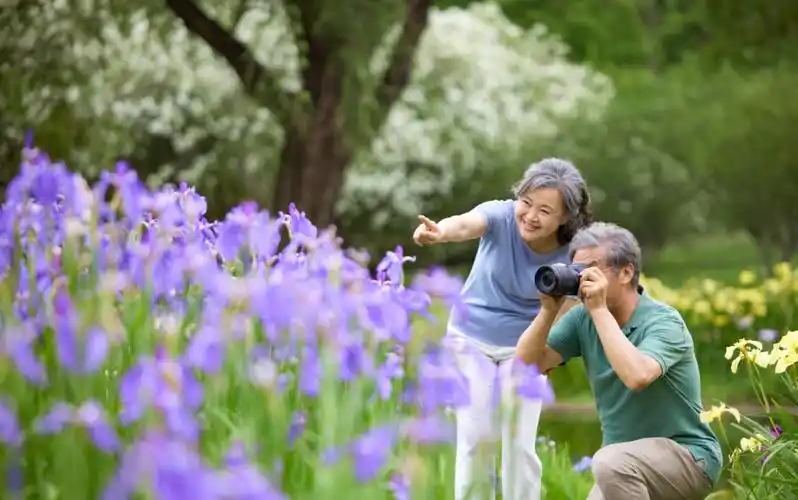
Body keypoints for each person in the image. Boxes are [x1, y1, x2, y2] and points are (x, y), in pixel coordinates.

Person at [412, 158, 592, 500]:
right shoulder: (500, 215)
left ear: (565, 217)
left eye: (544, 209)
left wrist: (549, 357)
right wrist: (439, 232)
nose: (530, 215)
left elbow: (568, 312)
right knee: (475, 435)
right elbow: (465, 224)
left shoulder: (575, 251)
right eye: (526, 202)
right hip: (470, 338)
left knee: (519, 440)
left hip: (524, 347)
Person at [516, 222, 723, 500]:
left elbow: (637, 376)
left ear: (626, 272)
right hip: (621, 465)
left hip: (688, 457)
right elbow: (526, 366)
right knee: (611, 463)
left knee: (609, 461)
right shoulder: (581, 319)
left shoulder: (663, 321)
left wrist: (599, 310)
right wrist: (548, 311)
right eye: (576, 270)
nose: (581, 278)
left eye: (591, 267)